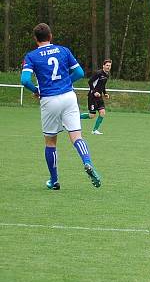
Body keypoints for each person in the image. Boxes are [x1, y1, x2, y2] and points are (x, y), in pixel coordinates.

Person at [20, 23, 102, 190]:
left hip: (49, 99)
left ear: (36, 39)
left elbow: (24, 80)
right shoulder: (63, 50)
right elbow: (79, 73)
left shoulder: (31, 56)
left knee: (50, 142)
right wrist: (65, 83)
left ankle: (54, 180)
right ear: (51, 36)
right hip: (68, 97)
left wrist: (37, 91)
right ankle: (87, 162)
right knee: (76, 136)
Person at [80, 59, 112, 134]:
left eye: (109, 66)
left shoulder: (106, 75)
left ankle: (94, 130)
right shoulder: (98, 73)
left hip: (99, 97)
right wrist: (94, 92)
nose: (108, 67)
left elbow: (103, 85)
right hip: (92, 96)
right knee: (92, 115)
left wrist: (105, 93)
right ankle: (74, 118)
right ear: (103, 66)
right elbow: (90, 82)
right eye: (107, 65)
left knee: (102, 113)